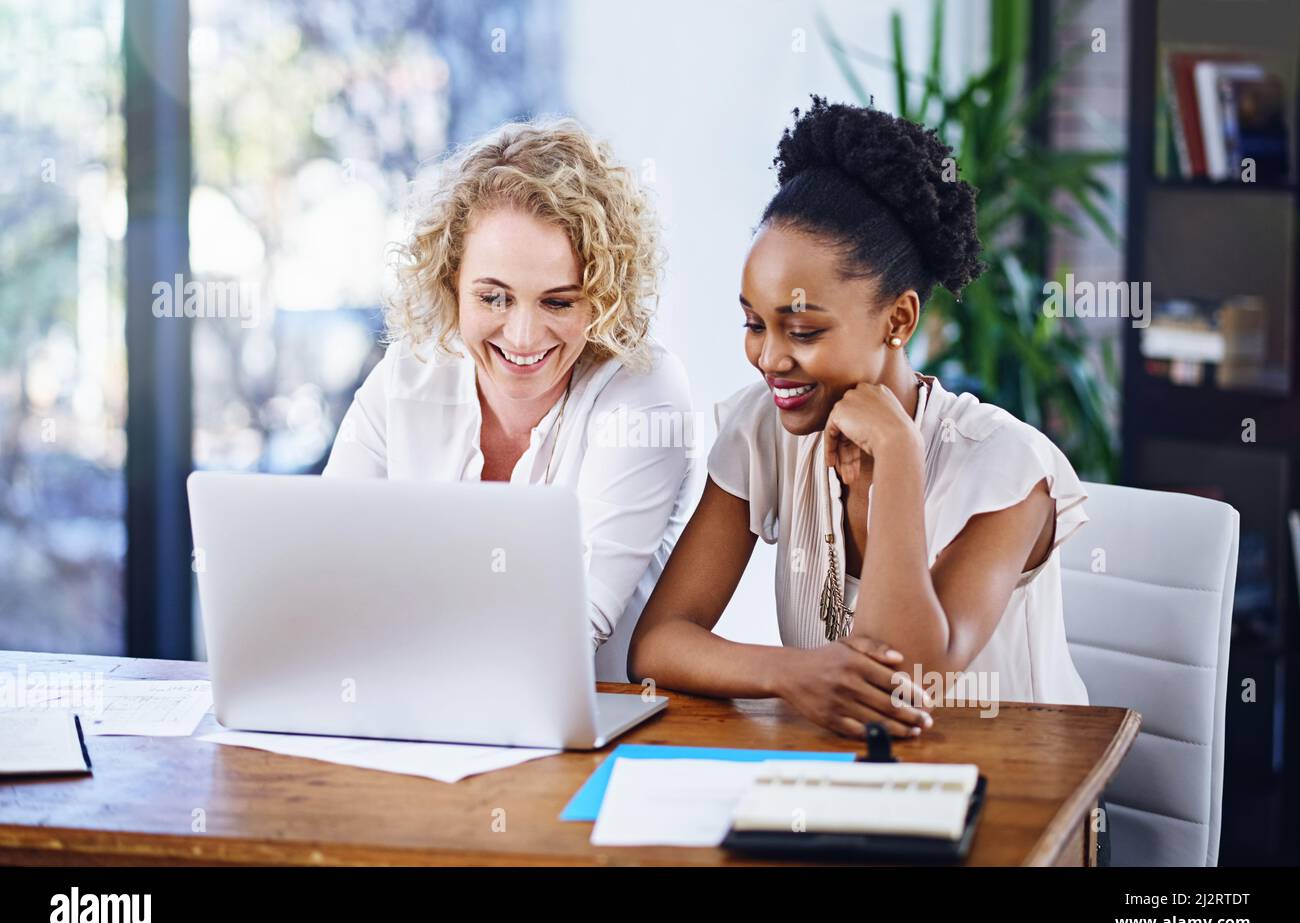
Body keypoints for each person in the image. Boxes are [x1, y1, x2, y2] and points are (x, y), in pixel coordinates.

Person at [629, 96, 1091, 739]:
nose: (769, 357)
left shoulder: (1007, 468)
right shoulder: (762, 429)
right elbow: (657, 645)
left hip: (1025, 798)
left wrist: (898, 460)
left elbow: (910, 684)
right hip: (849, 787)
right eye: (754, 324)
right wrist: (793, 673)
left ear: (898, 320)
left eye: (803, 330)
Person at [324, 117, 696, 679]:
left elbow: (573, 626)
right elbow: (328, 573)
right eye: (493, 298)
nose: (523, 338)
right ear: (451, 281)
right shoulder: (408, 373)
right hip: (416, 718)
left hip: (593, 735)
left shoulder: (646, 391)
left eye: (559, 303)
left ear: (602, 296)